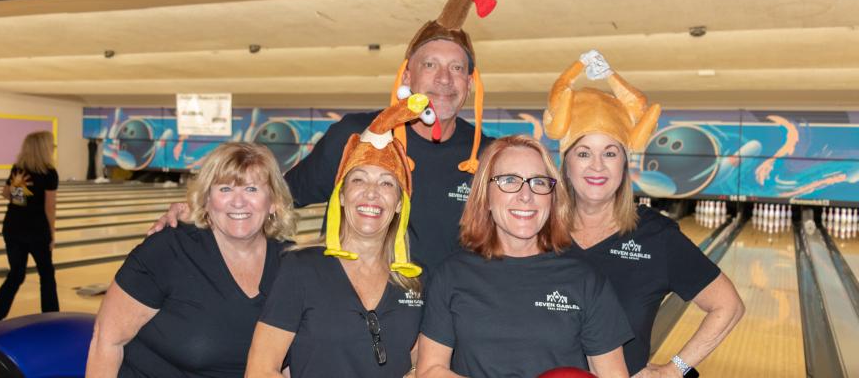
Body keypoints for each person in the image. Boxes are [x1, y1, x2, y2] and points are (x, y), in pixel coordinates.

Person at [149, 0, 502, 270]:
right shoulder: (353, 135)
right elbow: (279, 197)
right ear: (407, 76)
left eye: (457, 69)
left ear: (470, 84)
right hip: (352, 315)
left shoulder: (486, 155)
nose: (444, 79)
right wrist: (198, 211)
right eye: (430, 65)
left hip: (441, 328)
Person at [543, 50, 745, 377]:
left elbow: (728, 306)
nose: (597, 165)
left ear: (624, 163)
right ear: (566, 163)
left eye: (610, 153)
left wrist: (674, 369)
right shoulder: (535, 230)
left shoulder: (656, 237)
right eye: (583, 153)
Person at [246, 95, 432, 378]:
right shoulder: (301, 268)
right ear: (342, 196)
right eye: (359, 179)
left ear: (399, 204)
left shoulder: (416, 278)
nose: (372, 192)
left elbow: (421, 362)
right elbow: (260, 370)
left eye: (386, 183)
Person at [417, 135, 633, 378]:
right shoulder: (452, 274)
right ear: (485, 196)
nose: (526, 195)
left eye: (539, 182)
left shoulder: (586, 280)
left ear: (552, 198)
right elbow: (430, 370)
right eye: (509, 180)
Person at [86, 143, 298, 377]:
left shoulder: (292, 264)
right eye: (225, 189)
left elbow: (285, 364)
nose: (238, 202)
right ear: (206, 200)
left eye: (252, 189)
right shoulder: (168, 251)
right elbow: (106, 341)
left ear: (274, 202)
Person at [0, 130, 59, 325]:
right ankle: (52, 319)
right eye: (51, 145)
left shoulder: (18, 168)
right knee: (47, 275)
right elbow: (49, 207)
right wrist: (52, 233)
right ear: (44, 148)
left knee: (15, 275)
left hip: (13, 227)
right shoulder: (49, 173)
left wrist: (19, 189)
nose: (53, 148)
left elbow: (7, 195)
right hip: (36, 231)